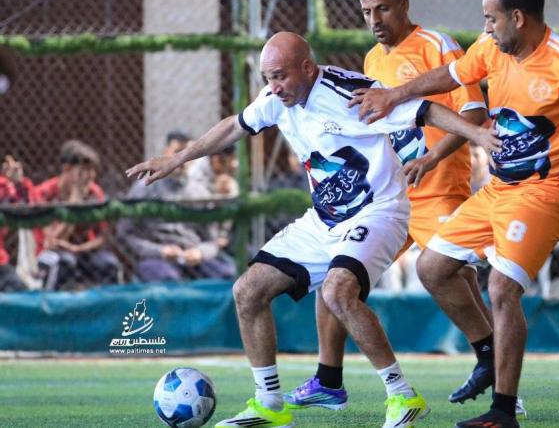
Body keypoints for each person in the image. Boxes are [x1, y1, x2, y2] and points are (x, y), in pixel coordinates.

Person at [126, 32, 500, 428]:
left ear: (307, 67)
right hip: (323, 220)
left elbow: (424, 110)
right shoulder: (275, 99)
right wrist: (177, 159)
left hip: (378, 213)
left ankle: (402, 396)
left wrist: (478, 134)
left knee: (339, 291)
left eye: (281, 76)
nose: (274, 87)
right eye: (268, 78)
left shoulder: (350, 94)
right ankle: (270, 404)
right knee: (247, 291)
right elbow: (234, 127)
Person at [351, 0, 559, 426]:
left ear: (516, 18)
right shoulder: (490, 48)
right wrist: (395, 94)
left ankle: (504, 410)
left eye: (490, 18)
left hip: (546, 193)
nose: (485, 27)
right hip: (498, 190)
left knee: (502, 288)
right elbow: (452, 75)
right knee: (432, 268)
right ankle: (488, 354)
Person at [280, 0, 534, 417]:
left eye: (382, 8)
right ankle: (328, 378)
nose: (374, 20)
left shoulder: (436, 45)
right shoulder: (372, 59)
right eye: (366, 12)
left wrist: (432, 158)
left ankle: (497, 372)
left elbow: (474, 112)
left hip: (438, 191)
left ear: (403, 4)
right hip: (386, 198)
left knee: (448, 274)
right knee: (335, 273)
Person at [118, 132, 237, 283]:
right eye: (177, 152)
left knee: (228, 275)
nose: (182, 159)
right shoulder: (145, 187)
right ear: (165, 152)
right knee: (169, 280)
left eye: (188, 154)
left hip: (193, 256)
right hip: (157, 257)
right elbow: (125, 235)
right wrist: (159, 251)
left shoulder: (200, 192)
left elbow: (213, 240)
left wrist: (200, 252)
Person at [35, 140, 120, 290]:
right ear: (67, 169)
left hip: (83, 250)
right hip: (50, 252)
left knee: (109, 264)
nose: (90, 176)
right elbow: (52, 241)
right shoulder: (44, 193)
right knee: (65, 262)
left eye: (92, 170)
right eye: (84, 170)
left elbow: (103, 236)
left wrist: (78, 249)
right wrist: (75, 200)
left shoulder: (95, 192)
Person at [0, 155, 39, 291]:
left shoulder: (5, 186)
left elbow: (30, 208)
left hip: (2, 262)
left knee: (18, 288)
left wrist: (18, 183)